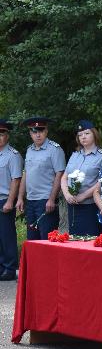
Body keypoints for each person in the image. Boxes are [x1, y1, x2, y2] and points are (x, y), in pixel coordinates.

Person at [16, 117, 66, 240]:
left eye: (41, 131)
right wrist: (20, 197)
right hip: (31, 200)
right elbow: (26, 174)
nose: (38, 135)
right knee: (32, 239)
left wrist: (51, 199)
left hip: (46, 201)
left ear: (46, 131)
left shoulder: (55, 149)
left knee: (47, 240)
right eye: (34, 132)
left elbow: (60, 175)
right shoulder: (29, 150)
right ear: (30, 133)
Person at [61, 120, 102, 236]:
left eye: (87, 133)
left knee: (90, 240)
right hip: (72, 206)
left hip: (90, 206)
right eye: (80, 134)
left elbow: (101, 183)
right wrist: (67, 194)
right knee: (74, 240)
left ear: (94, 134)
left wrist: (83, 196)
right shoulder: (75, 155)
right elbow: (64, 177)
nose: (83, 137)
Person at [0, 119, 23, 281]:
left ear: (7, 136)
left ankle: (9, 268)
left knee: (6, 235)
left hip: (4, 200)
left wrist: (10, 201)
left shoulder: (13, 155)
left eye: (1, 134)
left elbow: (16, 179)